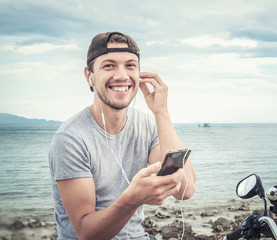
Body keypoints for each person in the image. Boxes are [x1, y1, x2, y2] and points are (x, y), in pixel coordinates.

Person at [49, 31, 196, 240]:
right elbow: (86, 232)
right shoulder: (71, 138)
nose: (121, 75)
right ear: (89, 75)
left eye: (130, 65)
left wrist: (161, 112)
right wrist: (133, 198)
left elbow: (185, 190)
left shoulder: (148, 124)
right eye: (109, 65)